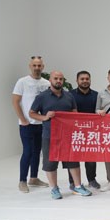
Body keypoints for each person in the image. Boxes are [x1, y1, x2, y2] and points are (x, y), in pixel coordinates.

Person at [29, 71, 92, 199]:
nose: (58, 81)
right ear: (50, 80)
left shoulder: (69, 96)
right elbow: (32, 113)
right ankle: (54, 189)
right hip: (50, 135)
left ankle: (77, 186)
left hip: (68, 135)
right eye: (56, 78)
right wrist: (45, 117)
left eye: (61, 79)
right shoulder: (42, 96)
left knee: (73, 160)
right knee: (50, 162)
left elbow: (74, 112)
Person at [12, 56, 50, 193]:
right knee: (27, 151)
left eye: (39, 65)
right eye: (34, 65)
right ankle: (22, 180)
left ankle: (33, 178)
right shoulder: (22, 82)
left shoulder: (46, 83)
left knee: (37, 152)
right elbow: (15, 101)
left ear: (43, 67)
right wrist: (23, 119)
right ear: (30, 66)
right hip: (27, 124)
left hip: (41, 123)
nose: (37, 68)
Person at [67, 70, 100, 190]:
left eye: (87, 79)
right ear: (77, 81)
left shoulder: (96, 95)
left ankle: (92, 180)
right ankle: (73, 181)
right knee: (73, 157)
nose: (85, 81)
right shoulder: (69, 95)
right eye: (82, 79)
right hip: (74, 131)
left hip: (91, 131)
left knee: (90, 157)